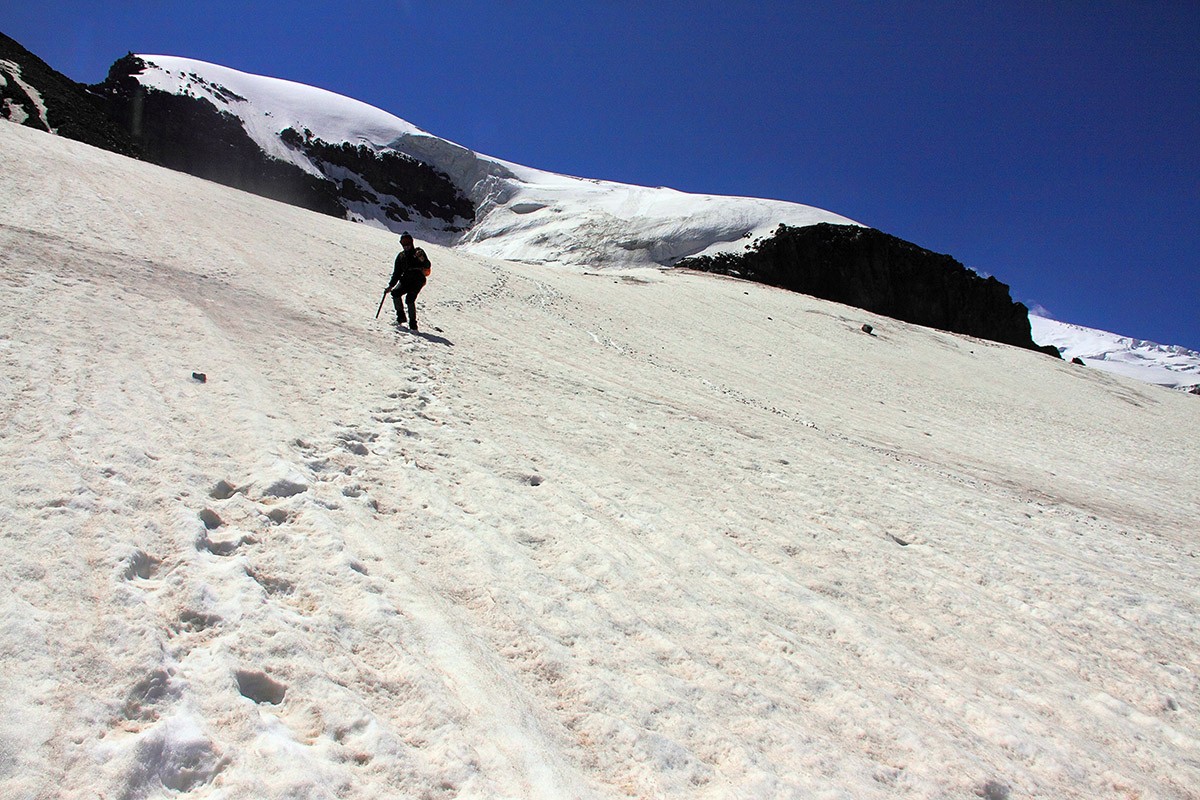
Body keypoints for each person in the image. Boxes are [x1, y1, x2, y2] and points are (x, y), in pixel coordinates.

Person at [385, 232, 431, 331]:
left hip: (417, 280)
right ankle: (401, 317)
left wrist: (422, 259)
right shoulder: (401, 256)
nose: (406, 245)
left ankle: (413, 325)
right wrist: (391, 285)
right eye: (403, 242)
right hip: (406, 280)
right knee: (395, 293)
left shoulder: (418, 252)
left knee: (410, 299)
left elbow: (427, 265)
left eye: (407, 242)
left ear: (411, 242)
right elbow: (397, 272)